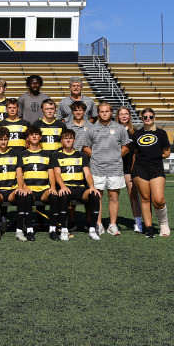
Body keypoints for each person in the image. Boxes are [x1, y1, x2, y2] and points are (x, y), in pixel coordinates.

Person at [83, 102, 130, 236]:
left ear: (111, 113)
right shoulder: (91, 128)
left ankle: (112, 225)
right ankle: (98, 224)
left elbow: (126, 147)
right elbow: (86, 147)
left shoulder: (119, 128)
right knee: (97, 198)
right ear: (98, 113)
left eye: (107, 111)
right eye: (102, 111)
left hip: (115, 169)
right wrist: (96, 156)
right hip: (97, 169)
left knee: (114, 197)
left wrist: (115, 156)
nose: (104, 113)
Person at [52, 129, 101, 241]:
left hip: (80, 188)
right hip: (66, 186)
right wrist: (63, 186)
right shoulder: (57, 155)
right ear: (61, 141)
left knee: (94, 195)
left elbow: (87, 173)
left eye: (70, 137)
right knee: (64, 195)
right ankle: (64, 230)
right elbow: (57, 174)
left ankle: (92, 229)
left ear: (74, 139)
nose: (68, 140)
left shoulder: (81, 155)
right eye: (66, 138)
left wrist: (92, 186)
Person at [130, 108, 171, 238]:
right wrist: (132, 171)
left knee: (158, 199)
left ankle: (163, 223)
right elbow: (135, 154)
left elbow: (167, 153)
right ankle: (148, 228)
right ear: (142, 118)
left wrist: (154, 157)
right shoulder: (136, 134)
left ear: (154, 118)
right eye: (145, 117)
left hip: (156, 168)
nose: (148, 119)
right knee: (145, 198)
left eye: (151, 117)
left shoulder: (161, 133)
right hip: (140, 169)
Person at [16, 126, 60, 241]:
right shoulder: (22, 154)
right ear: (28, 138)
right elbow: (20, 174)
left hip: (44, 189)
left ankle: (52, 230)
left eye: (36, 134)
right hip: (30, 189)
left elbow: (51, 173)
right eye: (31, 134)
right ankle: (30, 230)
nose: (34, 136)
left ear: (40, 137)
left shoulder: (48, 154)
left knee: (54, 197)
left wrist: (53, 187)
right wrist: (24, 187)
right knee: (27, 198)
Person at [64, 100, 94, 230]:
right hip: (70, 162)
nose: (78, 112)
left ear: (84, 112)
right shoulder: (67, 125)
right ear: (72, 112)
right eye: (75, 110)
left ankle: (88, 221)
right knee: (70, 190)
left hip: (86, 161)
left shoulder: (91, 125)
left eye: (80, 110)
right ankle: (71, 220)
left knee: (87, 192)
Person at [116, 106, 142, 233]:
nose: (124, 116)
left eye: (126, 114)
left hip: (128, 168)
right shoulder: (112, 130)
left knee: (133, 195)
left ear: (130, 116)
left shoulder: (135, 132)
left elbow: (136, 153)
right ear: (118, 116)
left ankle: (138, 222)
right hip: (113, 167)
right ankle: (111, 223)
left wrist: (133, 168)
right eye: (121, 114)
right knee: (113, 196)